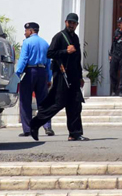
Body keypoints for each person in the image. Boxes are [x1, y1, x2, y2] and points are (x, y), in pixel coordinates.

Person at [29, 12, 87, 141]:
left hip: (73, 77)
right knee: (58, 103)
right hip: (62, 76)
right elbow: (50, 53)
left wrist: (80, 76)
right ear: (66, 22)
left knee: (76, 104)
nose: (72, 25)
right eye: (70, 22)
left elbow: (77, 59)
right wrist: (65, 51)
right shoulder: (59, 37)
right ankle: (35, 123)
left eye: (74, 23)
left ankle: (75, 133)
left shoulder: (75, 38)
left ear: (77, 25)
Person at [14, 21, 54, 137]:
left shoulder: (27, 42)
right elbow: (48, 62)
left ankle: (27, 129)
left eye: (26, 31)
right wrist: (49, 78)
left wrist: (17, 74)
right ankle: (47, 127)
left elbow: (23, 59)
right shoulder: (45, 43)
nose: (25, 33)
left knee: (25, 100)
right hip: (42, 72)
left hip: (29, 72)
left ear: (31, 31)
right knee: (44, 102)